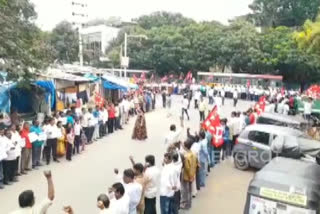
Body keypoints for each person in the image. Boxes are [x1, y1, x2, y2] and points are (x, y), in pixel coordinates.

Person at [180, 139, 198, 210]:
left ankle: (185, 205)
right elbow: (196, 164)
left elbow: (187, 168)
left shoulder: (186, 156)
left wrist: (189, 175)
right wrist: (192, 175)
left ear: (186, 146)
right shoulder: (193, 154)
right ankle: (189, 204)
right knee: (190, 190)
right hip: (192, 174)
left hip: (186, 176)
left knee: (185, 190)